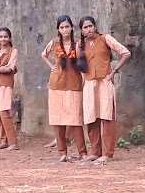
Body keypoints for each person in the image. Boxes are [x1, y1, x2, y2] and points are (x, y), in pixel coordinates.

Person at [77, 16, 131, 164]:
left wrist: (114, 71)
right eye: (85, 27)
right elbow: (79, 64)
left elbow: (125, 53)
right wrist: (83, 79)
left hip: (105, 82)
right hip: (89, 83)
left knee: (107, 117)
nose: (89, 29)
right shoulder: (80, 45)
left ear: (95, 26)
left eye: (90, 26)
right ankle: (95, 152)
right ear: (81, 30)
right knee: (91, 117)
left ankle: (108, 153)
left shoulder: (105, 38)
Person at [41, 15, 88, 162]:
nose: (65, 30)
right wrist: (52, 67)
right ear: (58, 29)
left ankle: (83, 153)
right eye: (62, 27)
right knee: (58, 120)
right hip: (56, 85)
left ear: (72, 28)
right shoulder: (54, 43)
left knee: (76, 120)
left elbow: (83, 63)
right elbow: (43, 55)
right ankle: (62, 153)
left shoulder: (79, 44)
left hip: (74, 84)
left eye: (67, 27)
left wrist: (84, 78)